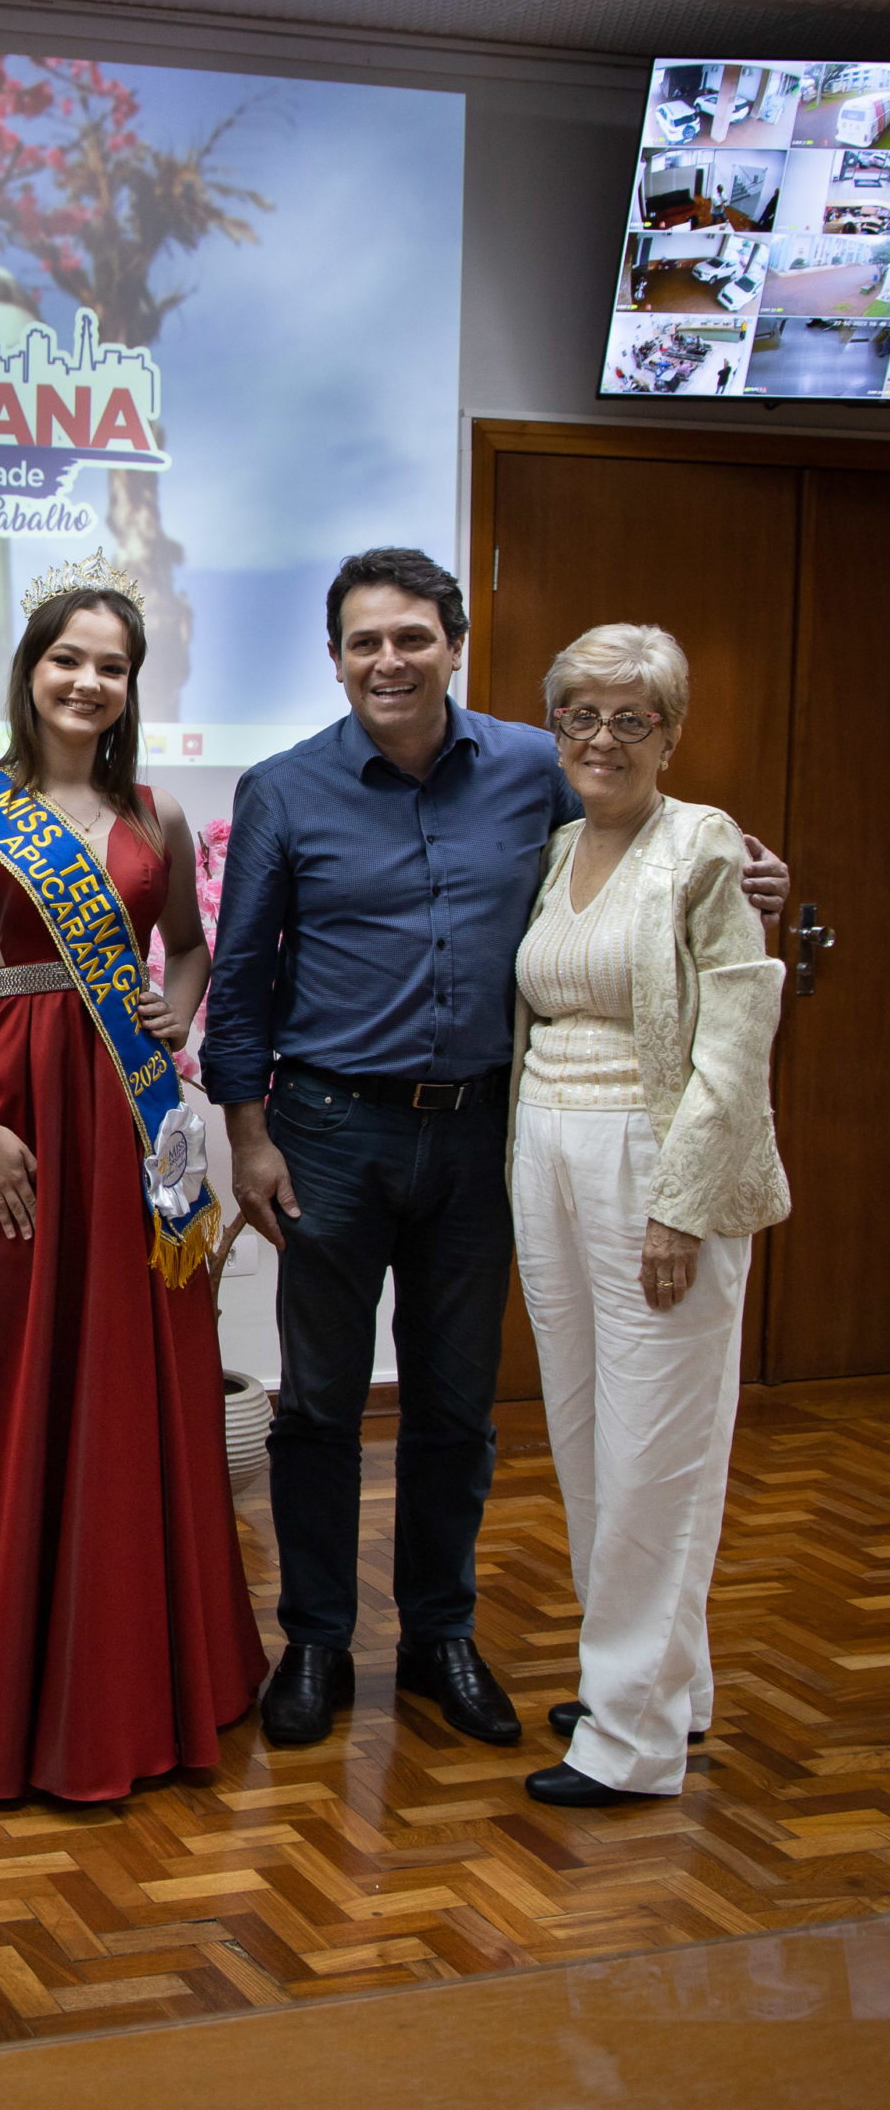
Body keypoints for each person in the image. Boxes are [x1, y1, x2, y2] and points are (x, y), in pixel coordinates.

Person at [202, 549, 787, 1751]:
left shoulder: (535, 766)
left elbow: (647, 852)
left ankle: (437, 1636)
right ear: (333, 658)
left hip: (480, 1133)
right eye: (364, 641)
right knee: (318, 1403)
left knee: (456, 1405)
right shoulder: (281, 789)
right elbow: (243, 973)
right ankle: (314, 1641)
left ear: (455, 644)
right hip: (323, 1132)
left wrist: (749, 870)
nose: (388, 661)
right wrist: (246, 1135)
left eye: (412, 637)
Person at [0, 563, 265, 1803]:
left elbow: (192, 946)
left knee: (132, 1387)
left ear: (128, 687)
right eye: (68, 659)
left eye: (110, 666)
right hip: (13, 1120)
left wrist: (178, 1008)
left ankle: (137, 1678)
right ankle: (14, 1684)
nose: (87, 681)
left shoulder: (155, 817)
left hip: (129, 1127)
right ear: (31, 671)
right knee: (17, 1387)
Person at [509, 626, 786, 1806]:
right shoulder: (557, 842)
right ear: (554, 726)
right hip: (544, 1151)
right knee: (584, 1436)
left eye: (632, 718)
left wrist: (680, 1208)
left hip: (654, 1161)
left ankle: (626, 1744)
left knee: (656, 1450)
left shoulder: (702, 843)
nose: (601, 737)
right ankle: (657, 1688)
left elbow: (733, 1039)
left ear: (670, 733)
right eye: (580, 714)